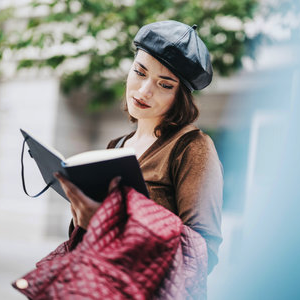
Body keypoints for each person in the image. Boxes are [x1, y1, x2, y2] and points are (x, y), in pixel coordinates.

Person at [56, 20, 223, 273]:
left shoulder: (192, 148)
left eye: (164, 84)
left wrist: (111, 223)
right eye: (140, 72)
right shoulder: (117, 146)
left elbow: (203, 253)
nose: (144, 91)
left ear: (181, 97)